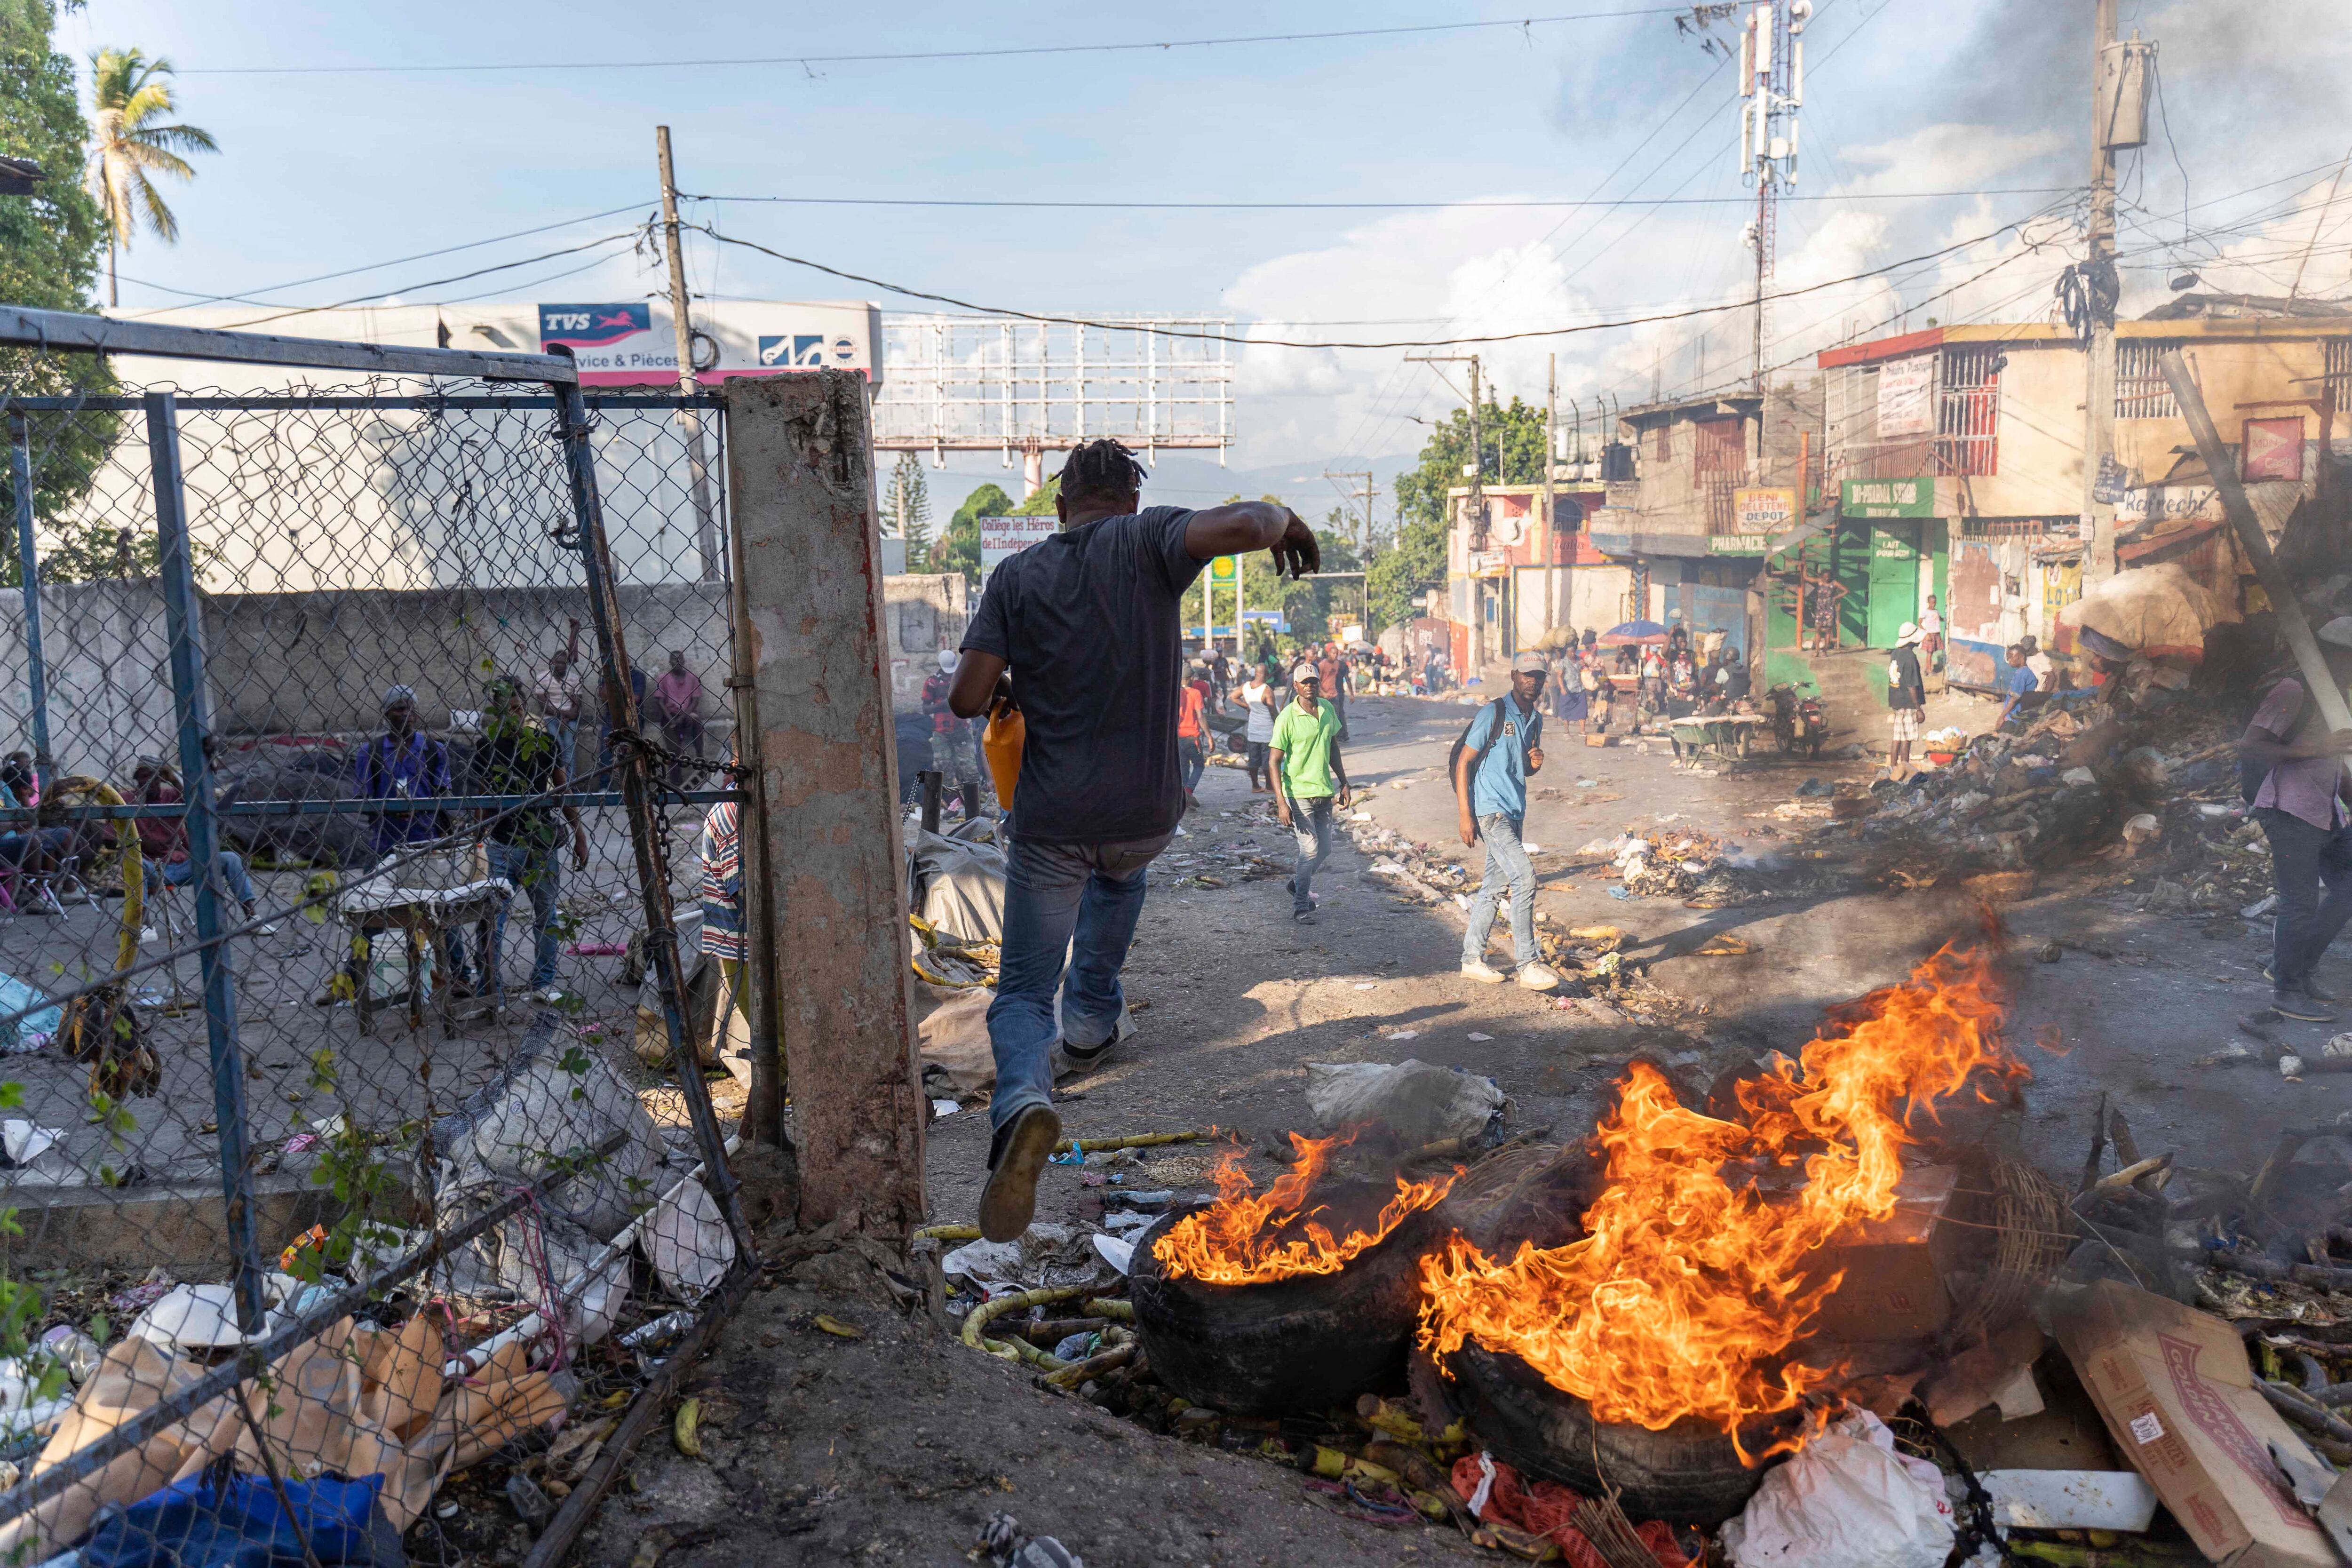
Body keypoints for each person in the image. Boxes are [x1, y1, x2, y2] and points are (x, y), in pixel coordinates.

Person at [946, 437, 1320, 1242]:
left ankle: (1024, 1099)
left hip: (1053, 821)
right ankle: (1089, 1023)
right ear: (1132, 501)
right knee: (1120, 880)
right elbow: (1251, 520)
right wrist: (1284, 521)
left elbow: (967, 695)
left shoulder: (1016, 576)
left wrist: (1011, 679)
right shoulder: (1151, 541)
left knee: (1019, 991)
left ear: (1059, 507)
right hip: (1145, 814)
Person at [2239, 621, 2352, 1022]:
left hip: (2326, 809)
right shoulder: (2294, 690)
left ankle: (2296, 966)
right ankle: (2286, 989)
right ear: (2331, 655)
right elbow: (2252, 745)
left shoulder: (2340, 696)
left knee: (2347, 888)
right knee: (2299, 901)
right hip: (2289, 808)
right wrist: (2315, 748)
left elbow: (2337, 763)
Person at [472, 677, 589, 1005]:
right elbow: (483, 796)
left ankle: (544, 982)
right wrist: (476, 835)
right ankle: (489, 989)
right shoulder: (486, 747)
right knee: (492, 920)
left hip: (541, 842)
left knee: (547, 915)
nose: (515, 713)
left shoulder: (543, 741)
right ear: (495, 712)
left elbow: (562, 791)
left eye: (518, 707)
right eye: (507, 709)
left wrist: (579, 834)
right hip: (502, 843)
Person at [350, 685, 469, 993]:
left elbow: (443, 792)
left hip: (425, 841)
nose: (405, 715)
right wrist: (389, 810)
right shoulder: (371, 752)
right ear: (387, 713)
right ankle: (351, 977)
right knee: (369, 910)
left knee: (441, 908)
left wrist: (428, 811)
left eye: (409, 709)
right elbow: (362, 798)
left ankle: (460, 974)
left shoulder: (432, 750)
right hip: (386, 842)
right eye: (398, 709)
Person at [1455, 652, 1561, 992]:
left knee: (1492, 888)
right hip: (1491, 811)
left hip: (1515, 811)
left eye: (1539, 677)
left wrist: (1535, 763)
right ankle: (1527, 964)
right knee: (1525, 878)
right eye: (1528, 675)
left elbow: (1523, 767)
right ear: (1515, 675)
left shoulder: (1536, 719)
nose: (1534, 681)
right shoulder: (1494, 712)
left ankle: (1472, 959)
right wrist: (1465, 815)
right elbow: (1463, 762)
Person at [127, 758, 278, 937]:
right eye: (143, 777)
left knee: (230, 858)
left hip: (183, 864)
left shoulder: (171, 796)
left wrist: (173, 778)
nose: (148, 781)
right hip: (151, 867)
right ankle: (144, 926)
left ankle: (252, 918)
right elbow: (110, 839)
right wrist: (139, 842)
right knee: (135, 863)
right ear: (137, 779)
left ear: (161, 779)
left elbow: (194, 800)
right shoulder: (127, 799)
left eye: (153, 776)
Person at [1269, 663, 1348, 925]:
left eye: (1313, 681)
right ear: (1296, 686)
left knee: (1325, 848)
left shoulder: (1327, 709)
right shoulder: (1287, 718)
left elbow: (1333, 747)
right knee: (1310, 850)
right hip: (1298, 793)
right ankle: (1300, 905)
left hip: (1324, 791)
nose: (1310, 686)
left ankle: (1296, 884)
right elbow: (1274, 761)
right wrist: (1281, 803)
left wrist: (1344, 783)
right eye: (1305, 682)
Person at [922, 650, 986, 820]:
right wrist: (944, 704)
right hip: (941, 733)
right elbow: (925, 709)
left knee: (970, 771)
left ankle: (974, 808)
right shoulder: (933, 682)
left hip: (962, 731)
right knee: (945, 770)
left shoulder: (962, 678)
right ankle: (953, 805)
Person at [533, 619, 589, 779]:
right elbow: (544, 706)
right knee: (556, 748)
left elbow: (576, 709)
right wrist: (563, 715)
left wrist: (566, 716)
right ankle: (559, 783)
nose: (561, 666)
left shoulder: (575, 679)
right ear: (552, 663)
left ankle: (570, 782)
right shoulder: (542, 678)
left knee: (569, 750)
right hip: (551, 719)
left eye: (564, 663)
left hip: (569, 720)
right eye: (557, 663)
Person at [651, 651, 707, 788]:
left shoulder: (692, 678)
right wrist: (672, 720)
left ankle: (701, 757)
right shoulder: (663, 678)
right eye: (674, 660)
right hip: (669, 716)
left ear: (684, 661)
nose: (677, 662)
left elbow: (695, 701)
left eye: (680, 659)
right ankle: (676, 782)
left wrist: (683, 717)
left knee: (697, 722)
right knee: (674, 749)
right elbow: (660, 703)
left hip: (687, 714)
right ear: (670, 662)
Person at [1887, 622, 1928, 780]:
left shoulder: (1896, 653)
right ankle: (1904, 767)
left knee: (1897, 736)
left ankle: (1892, 768)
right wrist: (1918, 709)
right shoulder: (1911, 658)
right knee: (1907, 738)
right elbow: (1912, 686)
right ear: (1912, 641)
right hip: (1908, 702)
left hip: (1896, 699)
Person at [1232, 666, 1277, 792]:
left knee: (1253, 760)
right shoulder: (1267, 690)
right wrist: (1280, 726)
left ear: (1256, 673)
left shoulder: (1246, 687)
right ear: (1267, 675)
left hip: (1253, 730)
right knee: (1268, 761)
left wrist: (1247, 707)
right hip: (1267, 731)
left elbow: (1233, 696)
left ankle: (1255, 786)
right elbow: (1273, 712)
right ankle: (1269, 787)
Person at [1176, 666, 1210, 811]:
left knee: (1184, 768)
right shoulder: (1195, 693)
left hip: (1178, 738)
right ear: (1191, 679)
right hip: (1193, 738)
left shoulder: (1175, 694)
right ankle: (1189, 791)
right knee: (1199, 765)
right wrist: (1209, 736)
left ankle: (1185, 799)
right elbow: (1200, 716)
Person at [1995, 644, 2041, 729]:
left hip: (2014, 715)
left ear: (2019, 656)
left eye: (2011, 657)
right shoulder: (2025, 672)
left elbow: (2015, 698)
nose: (2009, 660)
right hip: (2016, 714)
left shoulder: (2022, 674)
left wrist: (2002, 717)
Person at [1921, 594, 1946, 673]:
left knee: (1931, 653)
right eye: (1931, 603)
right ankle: (1929, 669)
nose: (1933, 604)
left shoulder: (1936, 611)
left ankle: (1927, 668)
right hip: (1930, 635)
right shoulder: (1926, 612)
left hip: (1936, 634)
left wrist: (1946, 619)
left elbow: (1940, 618)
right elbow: (1919, 623)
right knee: (1930, 653)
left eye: (1934, 603)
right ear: (1928, 602)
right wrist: (1926, 634)